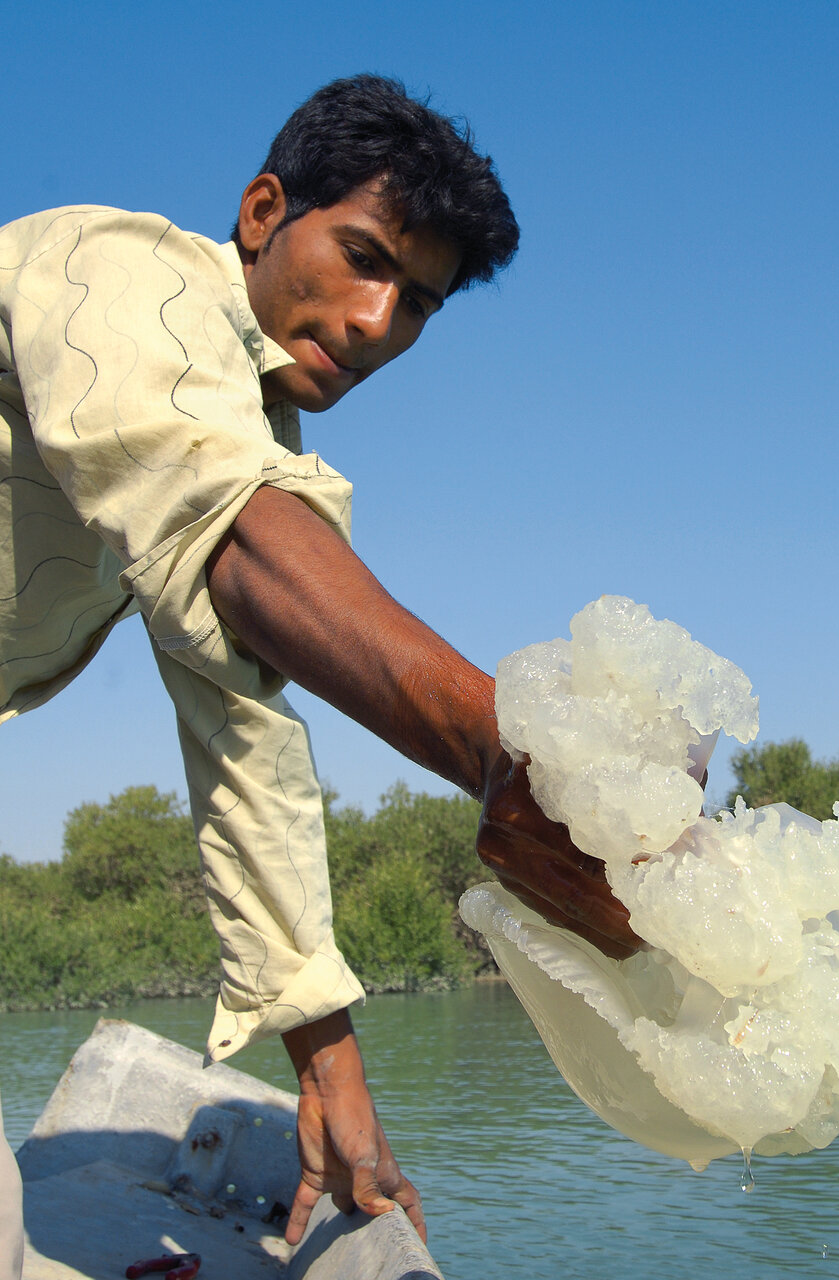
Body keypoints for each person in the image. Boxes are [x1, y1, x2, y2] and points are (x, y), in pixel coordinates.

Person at [0, 74, 640, 1274]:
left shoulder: (249, 429)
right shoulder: (115, 274)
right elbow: (234, 533)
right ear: (260, 212)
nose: (374, 323)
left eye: (419, 304)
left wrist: (328, 1066)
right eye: (362, 257)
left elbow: (239, 728)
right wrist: (511, 754)